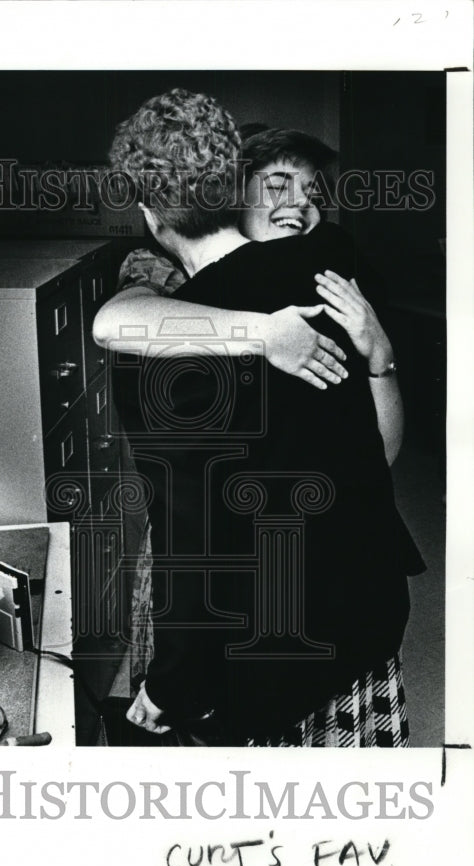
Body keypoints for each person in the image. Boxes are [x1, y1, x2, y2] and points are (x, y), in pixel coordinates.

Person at [94, 89, 424, 746]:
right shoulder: (334, 269)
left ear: (153, 215)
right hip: (362, 617)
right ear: (231, 188)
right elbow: (371, 454)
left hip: (264, 653)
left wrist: (173, 682)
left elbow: (197, 543)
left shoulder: (162, 346)